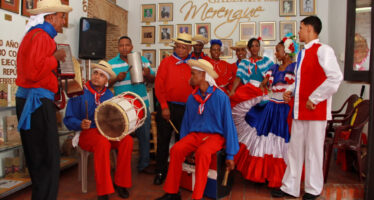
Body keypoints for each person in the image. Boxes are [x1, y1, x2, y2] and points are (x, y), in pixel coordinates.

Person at [271, 16, 343, 200]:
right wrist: (289, 90)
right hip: (299, 110)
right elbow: (300, 81)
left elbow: (335, 77)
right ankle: (290, 187)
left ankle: (313, 189)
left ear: (310, 29)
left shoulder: (324, 50)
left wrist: (315, 98)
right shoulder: (302, 53)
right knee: (294, 150)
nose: (299, 31)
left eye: (301, 28)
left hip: (316, 112)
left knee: (314, 151)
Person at [156, 59, 239, 200]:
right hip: (195, 135)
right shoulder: (192, 98)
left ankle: (197, 196)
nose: (190, 78)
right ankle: (172, 192)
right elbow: (186, 124)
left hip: (215, 136)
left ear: (203, 75)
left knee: (203, 152)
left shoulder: (221, 97)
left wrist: (230, 155)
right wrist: (185, 147)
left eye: (193, 74)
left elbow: (229, 126)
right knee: (176, 149)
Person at [15, 1, 71, 199]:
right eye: (61, 17)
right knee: (47, 159)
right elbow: (33, 71)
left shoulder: (33, 35)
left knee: (38, 158)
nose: (63, 21)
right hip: (37, 102)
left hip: (32, 101)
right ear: (51, 17)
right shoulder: (43, 37)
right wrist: (55, 58)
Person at [233, 35, 299, 188]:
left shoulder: (293, 68)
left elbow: (297, 87)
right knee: (265, 139)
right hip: (271, 106)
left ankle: (279, 176)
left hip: (284, 109)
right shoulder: (274, 68)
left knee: (280, 141)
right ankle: (266, 173)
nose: (275, 54)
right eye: (275, 51)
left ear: (287, 51)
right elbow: (263, 85)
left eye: (278, 51)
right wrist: (255, 92)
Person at [64, 61, 133, 200]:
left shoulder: (108, 95)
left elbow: (112, 118)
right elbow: (68, 119)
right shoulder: (79, 91)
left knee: (127, 140)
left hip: (106, 132)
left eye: (101, 75)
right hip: (86, 133)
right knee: (102, 143)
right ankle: (103, 191)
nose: (97, 76)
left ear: (106, 80)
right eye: (95, 73)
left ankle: (121, 183)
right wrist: (79, 123)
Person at [108, 36, 155, 174]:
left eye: (127, 45)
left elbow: (153, 80)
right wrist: (116, 79)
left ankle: (143, 165)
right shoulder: (111, 64)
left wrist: (147, 74)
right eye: (121, 45)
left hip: (141, 104)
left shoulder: (143, 60)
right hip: (122, 108)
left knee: (144, 136)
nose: (124, 47)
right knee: (122, 138)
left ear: (132, 46)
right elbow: (105, 85)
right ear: (118, 48)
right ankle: (122, 167)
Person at [154, 33, 195, 185]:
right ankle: (160, 172)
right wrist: (164, 107)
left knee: (182, 142)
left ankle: (179, 173)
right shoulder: (166, 62)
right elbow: (158, 87)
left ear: (189, 48)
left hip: (186, 109)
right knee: (163, 141)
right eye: (178, 46)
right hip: (168, 107)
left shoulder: (193, 64)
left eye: (184, 47)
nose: (180, 50)